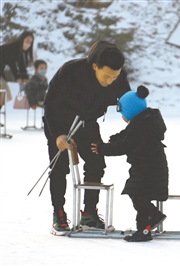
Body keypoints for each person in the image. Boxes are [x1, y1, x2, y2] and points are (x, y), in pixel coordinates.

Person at [43, 40, 131, 236]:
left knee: (96, 162)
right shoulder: (70, 71)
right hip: (59, 121)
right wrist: (58, 133)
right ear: (94, 67)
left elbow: (127, 99)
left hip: (87, 124)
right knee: (59, 167)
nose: (110, 81)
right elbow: (51, 103)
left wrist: (130, 113)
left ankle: (89, 213)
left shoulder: (118, 77)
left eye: (114, 77)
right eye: (106, 76)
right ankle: (59, 213)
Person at [91, 85, 169, 242]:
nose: (121, 116)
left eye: (122, 112)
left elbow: (125, 145)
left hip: (148, 169)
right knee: (138, 194)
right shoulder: (145, 122)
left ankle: (153, 216)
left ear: (131, 110)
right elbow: (128, 135)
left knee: (137, 194)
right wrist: (116, 137)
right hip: (149, 168)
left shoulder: (139, 126)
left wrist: (102, 148)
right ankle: (144, 230)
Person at [0, 31, 34, 115]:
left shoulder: (20, 51)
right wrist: (17, 77)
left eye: (30, 42)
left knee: (3, 94)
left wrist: (25, 77)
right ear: (22, 39)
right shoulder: (13, 48)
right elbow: (11, 63)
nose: (28, 44)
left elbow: (21, 65)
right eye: (27, 41)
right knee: (3, 93)